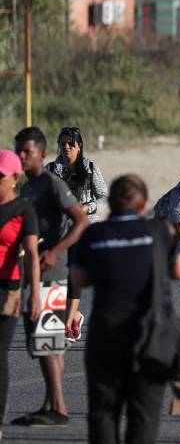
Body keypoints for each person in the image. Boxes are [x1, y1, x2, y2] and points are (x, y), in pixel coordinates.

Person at [71, 174, 180, 444]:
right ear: (144, 204)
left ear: (111, 203)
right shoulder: (159, 230)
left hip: (106, 337)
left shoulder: (94, 234)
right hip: (149, 339)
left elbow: (79, 279)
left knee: (103, 414)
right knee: (143, 417)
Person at [12, 127, 89, 427]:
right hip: (35, 271)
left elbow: (80, 220)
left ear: (42, 154)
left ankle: (60, 408)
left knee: (49, 342)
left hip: (53, 272)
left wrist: (56, 251)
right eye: (19, 151)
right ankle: (50, 404)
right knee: (45, 342)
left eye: (27, 152)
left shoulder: (51, 184)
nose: (22, 156)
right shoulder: (28, 188)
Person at [45, 126, 108, 342]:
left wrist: (88, 207)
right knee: (58, 277)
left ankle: (66, 324)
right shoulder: (50, 170)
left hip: (83, 231)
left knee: (74, 276)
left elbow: (104, 197)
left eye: (71, 144)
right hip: (58, 232)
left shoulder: (90, 168)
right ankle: (75, 317)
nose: (67, 147)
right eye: (63, 143)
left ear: (79, 147)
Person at [0, 150, 41, 440]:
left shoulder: (23, 208)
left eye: (0, 177)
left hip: (8, 291)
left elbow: (32, 256)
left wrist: (34, 293)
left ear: (15, 177)